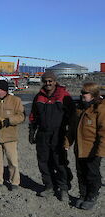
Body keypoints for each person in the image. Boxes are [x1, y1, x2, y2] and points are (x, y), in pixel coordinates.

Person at [29, 71, 75, 201]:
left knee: (59, 162)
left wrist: (69, 135)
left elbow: (72, 116)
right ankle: (49, 186)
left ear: (55, 81)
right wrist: (32, 131)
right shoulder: (39, 96)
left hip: (58, 134)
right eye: (45, 81)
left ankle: (64, 188)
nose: (48, 83)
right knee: (43, 162)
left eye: (50, 81)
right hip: (42, 134)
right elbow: (33, 115)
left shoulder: (63, 95)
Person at [67, 83, 105, 210]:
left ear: (93, 95)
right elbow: (73, 128)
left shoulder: (100, 109)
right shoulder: (80, 109)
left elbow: (103, 131)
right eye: (82, 92)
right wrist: (67, 142)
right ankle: (83, 195)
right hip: (80, 148)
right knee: (81, 173)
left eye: (85, 93)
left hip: (92, 150)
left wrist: (100, 151)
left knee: (92, 173)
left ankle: (92, 195)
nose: (82, 95)